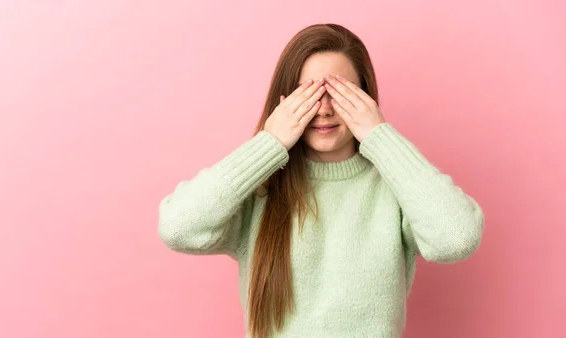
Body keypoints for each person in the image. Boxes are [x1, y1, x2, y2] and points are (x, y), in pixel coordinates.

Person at [158, 23, 484, 338]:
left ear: (365, 98)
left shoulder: (396, 189)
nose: (324, 110)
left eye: (340, 93)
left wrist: (379, 135)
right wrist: (270, 142)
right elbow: (179, 227)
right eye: (310, 93)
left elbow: (456, 238)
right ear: (285, 101)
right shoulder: (260, 188)